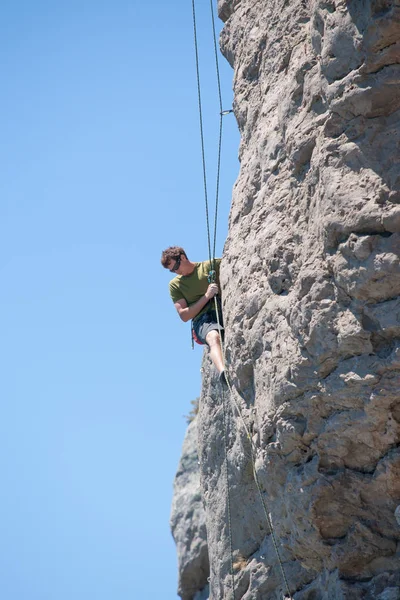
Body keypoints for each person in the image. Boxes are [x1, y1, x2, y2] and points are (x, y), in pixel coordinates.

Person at [161, 246, 226, 384]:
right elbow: (184, 315)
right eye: (172, 271)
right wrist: (206, 296)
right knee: (213, 336)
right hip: (202, 320)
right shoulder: (175, 285)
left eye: (176, 267)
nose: (176, 272)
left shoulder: (210, 265)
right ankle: (223, 372)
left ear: (183, 257)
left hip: (222, 310)